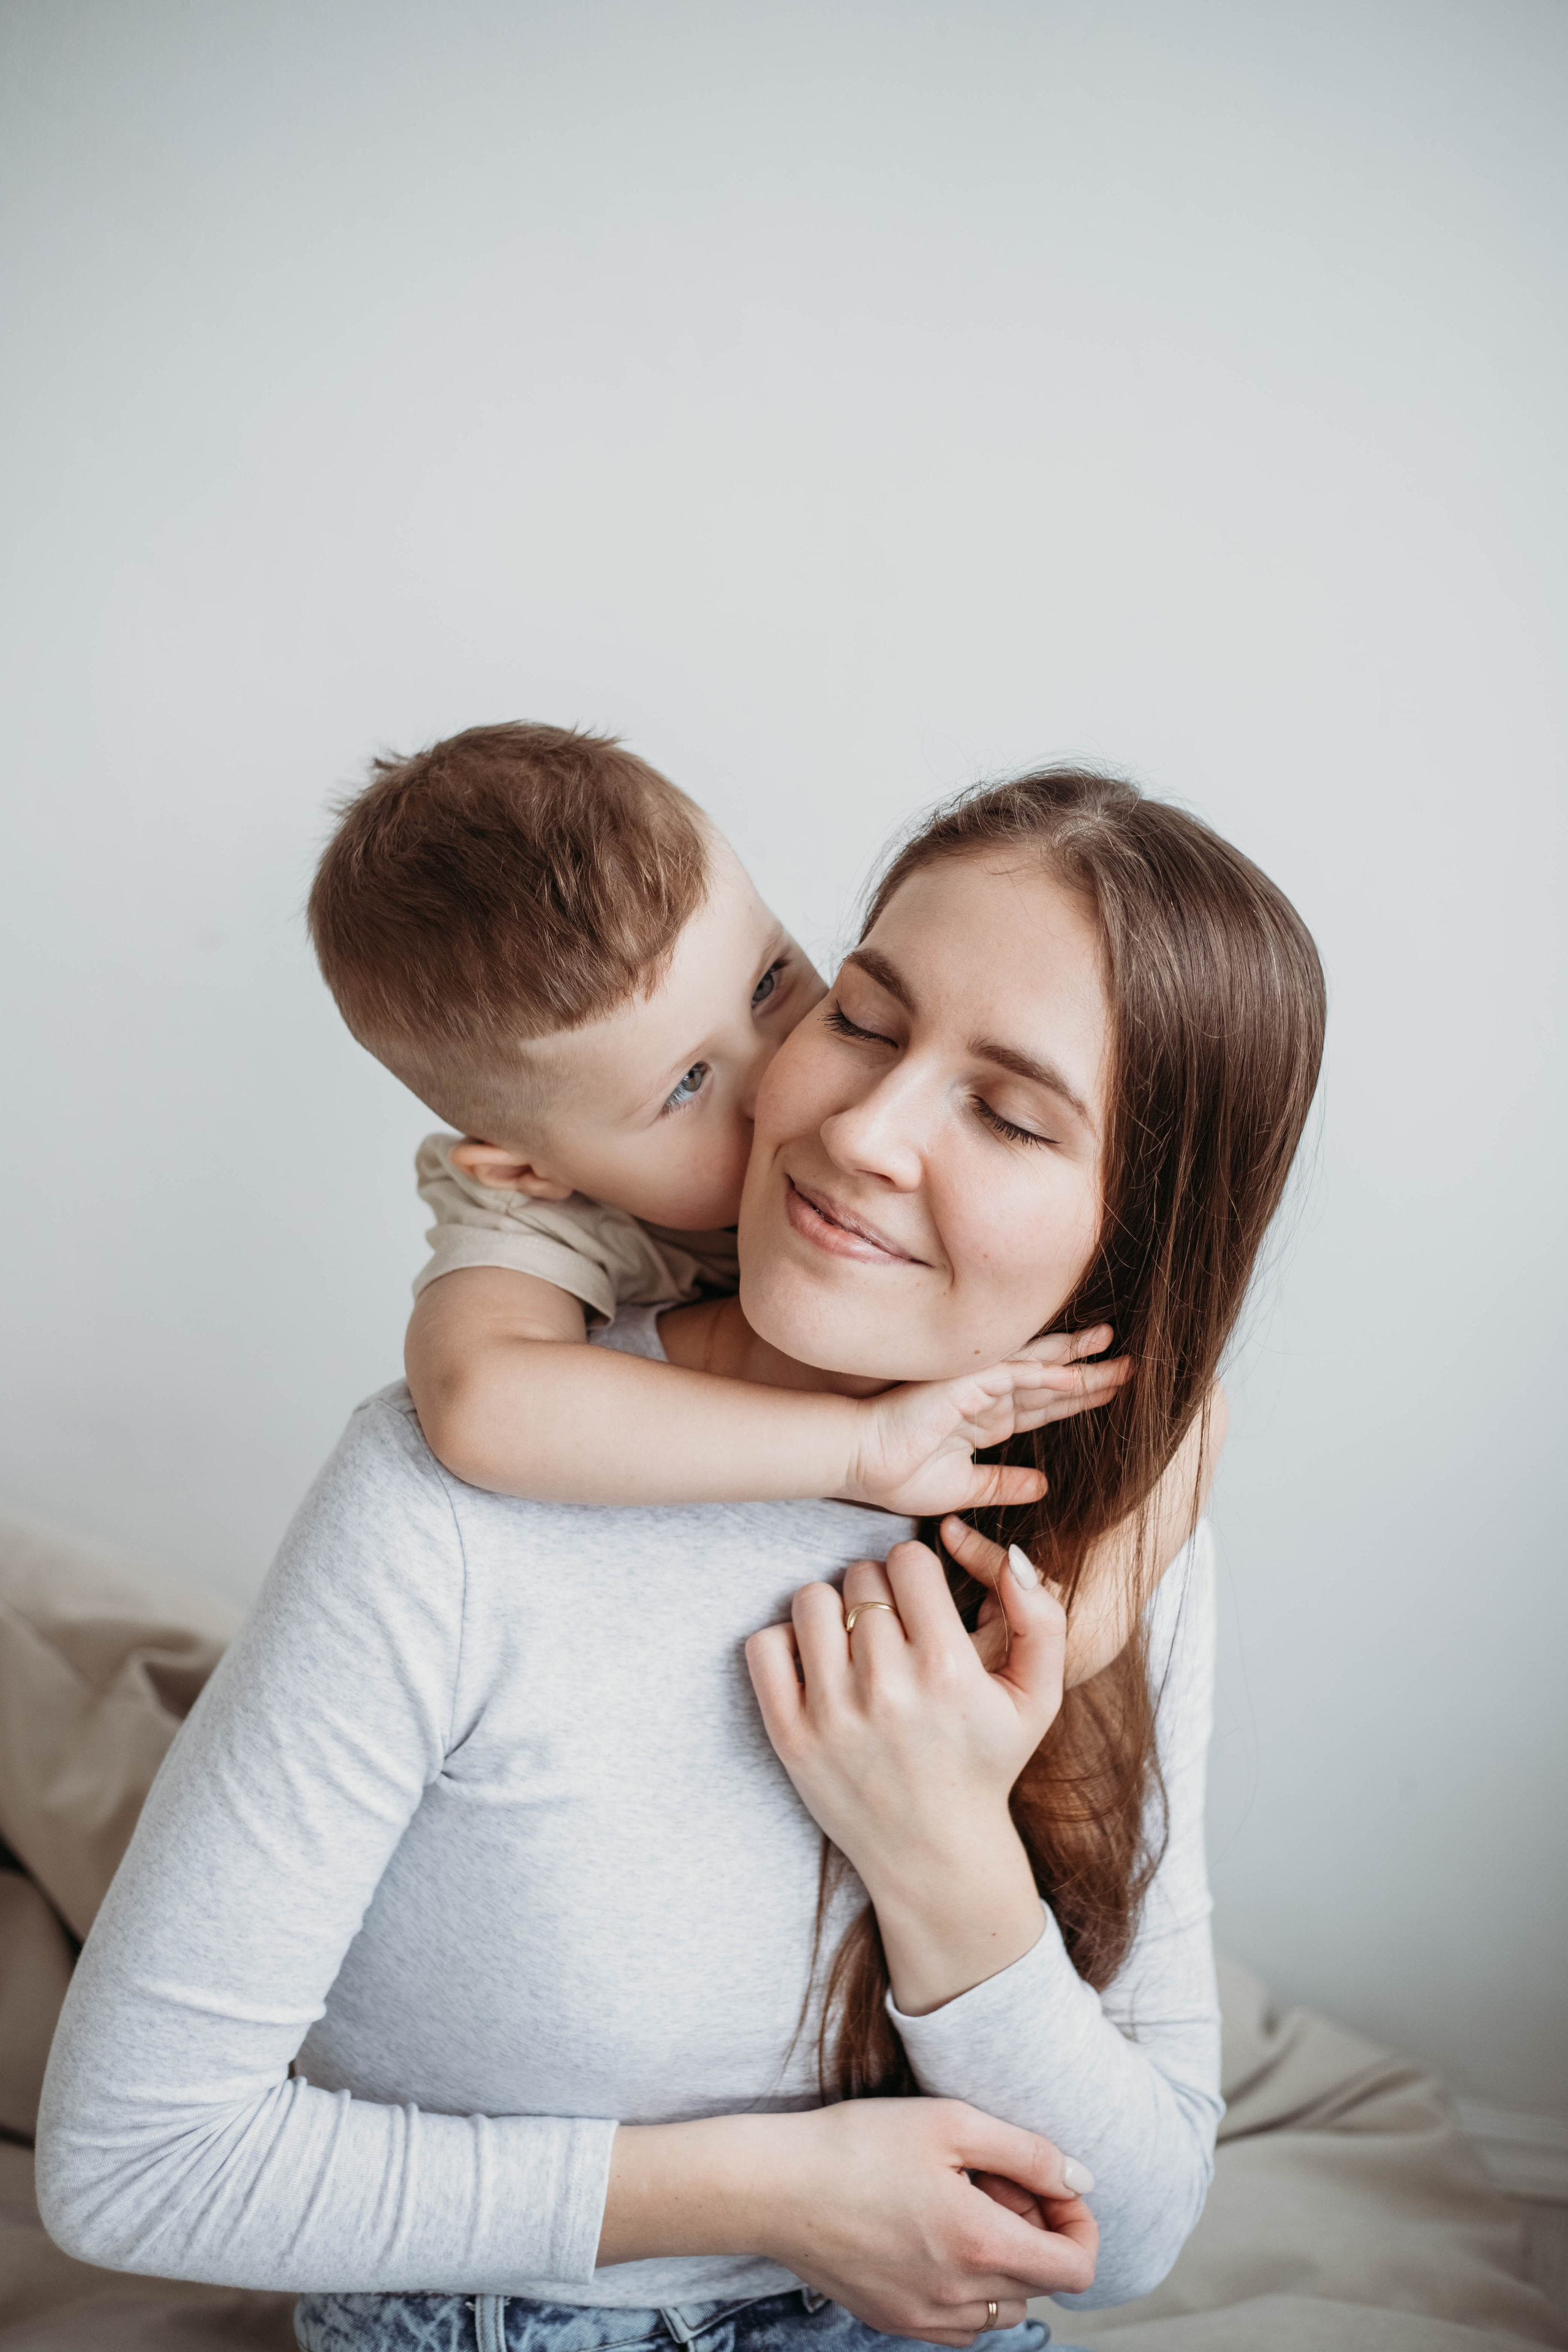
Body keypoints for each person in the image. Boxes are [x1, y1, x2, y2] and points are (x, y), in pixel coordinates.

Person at [36, 765, 1326, 2352]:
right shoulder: (448, 1505)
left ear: (1136, 1221)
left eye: (1004, 1110)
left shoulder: (1113, 1521)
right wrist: (776, 2195)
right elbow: (132, 2169)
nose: (857, 1129)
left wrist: (941, 1850)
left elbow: (1125, 2236)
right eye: (863, 1016)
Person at [308, 722, 1129, 1521]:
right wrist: (855, 1446)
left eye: (768, 985)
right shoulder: (536, 1219)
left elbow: (1182, 1401)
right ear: (530, 1170)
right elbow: (480, 1407)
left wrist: (1086, 1623)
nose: (780, 1072)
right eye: (688, 1082)